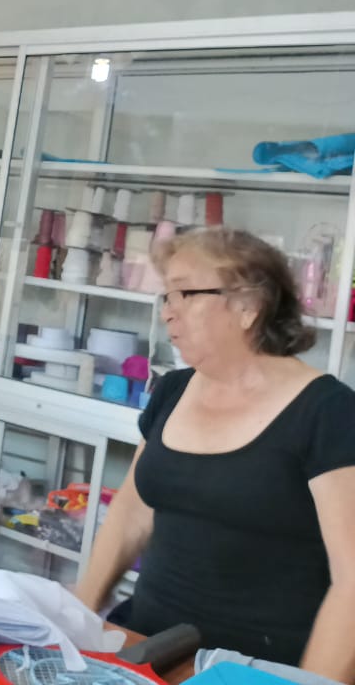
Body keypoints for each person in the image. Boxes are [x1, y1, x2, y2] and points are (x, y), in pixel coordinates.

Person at [77, 227, 355, 680]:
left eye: (185, 293)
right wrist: (77, 617)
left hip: (255, 669)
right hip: (147, 648)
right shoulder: (172, 391)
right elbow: (132, 513)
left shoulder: (328, 412)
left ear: (248, 306)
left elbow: (352, 583)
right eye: (166, 297)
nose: (168, 312)